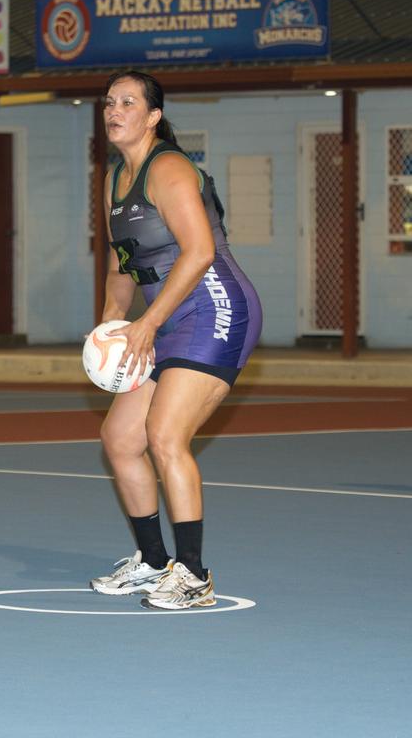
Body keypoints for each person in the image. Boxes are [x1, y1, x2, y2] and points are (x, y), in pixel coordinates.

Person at [88, 70, 262, 610]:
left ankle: (193, 575)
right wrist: (112, 324)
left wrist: (148, 323)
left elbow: (200, 252)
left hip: (216, 309)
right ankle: (152, 563)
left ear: (153, 116)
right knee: (120, 438)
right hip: (166, 318)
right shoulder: (114, 179)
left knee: (165, 435)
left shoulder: (169, 168)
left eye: (129, 102)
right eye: (110, 102)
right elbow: (124, 262)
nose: (115, 110)